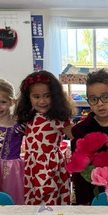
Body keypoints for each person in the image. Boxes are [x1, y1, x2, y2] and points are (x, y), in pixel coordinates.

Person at [14, 70, 75, 205]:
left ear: (55, 96)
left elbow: (76, 138)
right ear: (28, 97)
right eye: (36, 96)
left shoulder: (58, 118)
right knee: (34, 201)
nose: (42, 101)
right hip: (32, 166)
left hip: (50, 166)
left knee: (49, 200)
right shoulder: (30, 115)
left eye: (47, 96)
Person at [71, 68, 108, 205]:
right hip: (94, 196)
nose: (100, 103)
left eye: (105, 97)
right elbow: (79, 174)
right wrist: (83, 202)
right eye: (93, 99)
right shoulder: (81, 131)